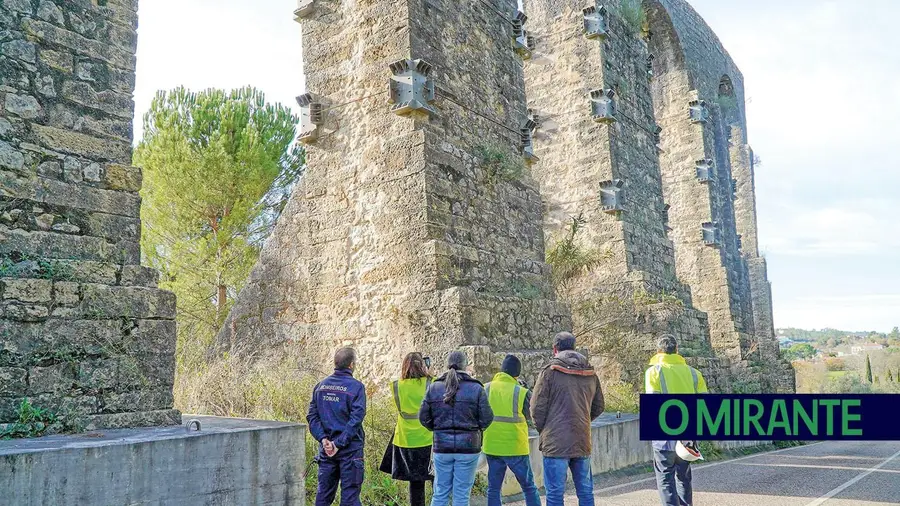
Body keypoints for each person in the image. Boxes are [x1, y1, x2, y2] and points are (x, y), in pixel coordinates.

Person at [532, 331, 604, 506]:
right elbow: (599, 406)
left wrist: (545, 430)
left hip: (555, 442)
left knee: (555, 494)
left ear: (554, 349)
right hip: (582, 439)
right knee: (585, 492)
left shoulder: (550, 372)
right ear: (574, 347)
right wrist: (582, 421)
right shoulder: (590, 372)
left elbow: (536, 408)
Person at [419, 351, 494, 506]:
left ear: (447, 365)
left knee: (440, 493)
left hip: (441, 447)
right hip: (468, 448)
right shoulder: (476, 388)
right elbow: (487, 418)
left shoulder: (434, 388)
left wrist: (437, 429)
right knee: (461, 495)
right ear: (465, 366)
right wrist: (476, 429)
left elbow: (423, 417)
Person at [645, 334, 708, 506]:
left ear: (658, 351)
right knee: (684, 477)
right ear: (677, 350)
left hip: (664, 434)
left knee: (665, 477)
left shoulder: (654, 372)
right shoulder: (694, 373)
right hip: (688, 433)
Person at [306, 347, 367, 506]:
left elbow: (312, 417)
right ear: (351, 365)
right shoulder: (357, 387)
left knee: (323, 497)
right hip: (350, 451)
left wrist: (324, 439)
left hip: (326, 451)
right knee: (350, 498)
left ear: (335, 363)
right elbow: (356, 419)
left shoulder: (320, 386)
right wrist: (338, 444)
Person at [482, 354, 541, 506]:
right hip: (516, 447)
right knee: (528, 487)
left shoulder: (486, 388)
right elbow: (533, 416)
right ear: (516, 374)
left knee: (493, 489)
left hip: (492, 445)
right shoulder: (521, 392)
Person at [380, 352, 435, 506]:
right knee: (436, 482)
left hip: (406, 440)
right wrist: (430, 372)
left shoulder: (396, 386)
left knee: (416, 485)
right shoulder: (431, 383)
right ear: (423, 366)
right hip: (428, 440)